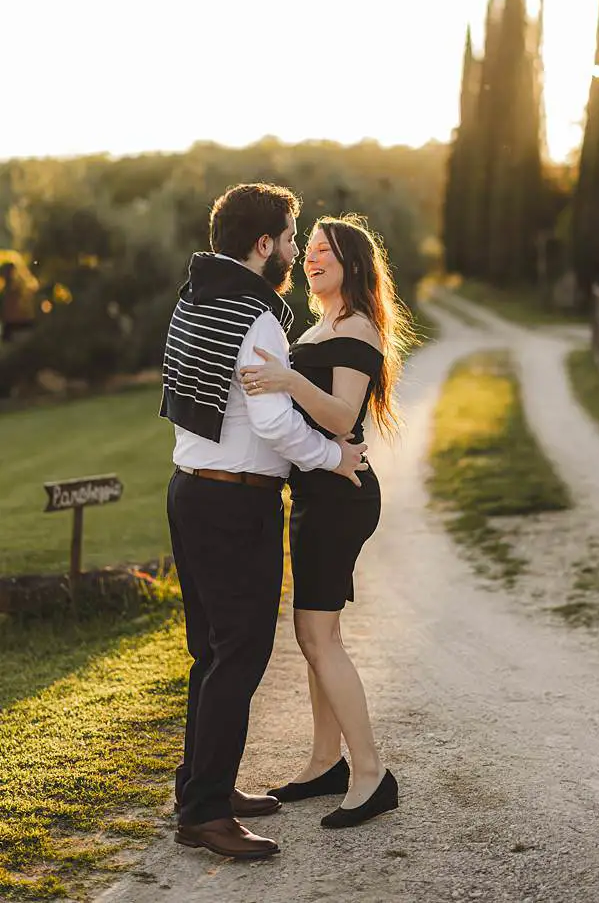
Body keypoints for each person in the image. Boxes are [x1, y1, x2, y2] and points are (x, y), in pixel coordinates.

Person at [161, 183, 368, 860]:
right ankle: (204, 813)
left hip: (189, 489)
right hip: (235, 501)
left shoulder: (195, 298)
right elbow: (275, 422)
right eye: (289, 236)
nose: (294, 249)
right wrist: (335, 456)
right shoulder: (253, 317)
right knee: (240, 653)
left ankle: (202, 788)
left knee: (209, 652)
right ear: (264, 245)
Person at [239, 215, 413, 828]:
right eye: (308, 250)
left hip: (342, 495)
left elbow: (342, 418)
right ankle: (323, 763)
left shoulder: (359, 326)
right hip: (315, 493)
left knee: (318, 637)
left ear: (353, 264)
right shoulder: (321, 324)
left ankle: (370, 773)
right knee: (316, 637)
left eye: (325, 252)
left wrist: (286, 378)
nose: (312, 260)